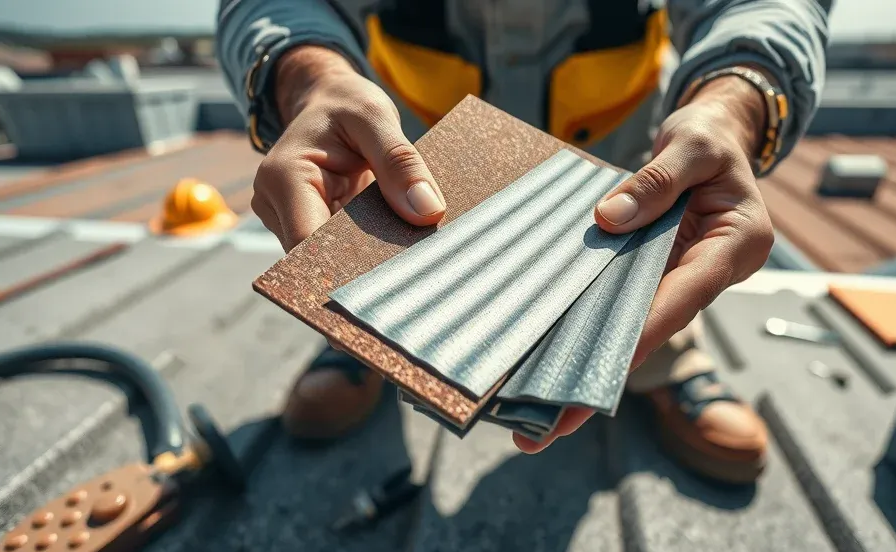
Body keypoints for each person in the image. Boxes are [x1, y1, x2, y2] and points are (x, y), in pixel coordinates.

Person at [216, 0, 830, 484]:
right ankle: (365, 335)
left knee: (636, 291)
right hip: (407, 201)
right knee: (375, 299)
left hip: (617, 201)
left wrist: (735, 106)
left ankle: (656, 350)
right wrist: (308, 78)